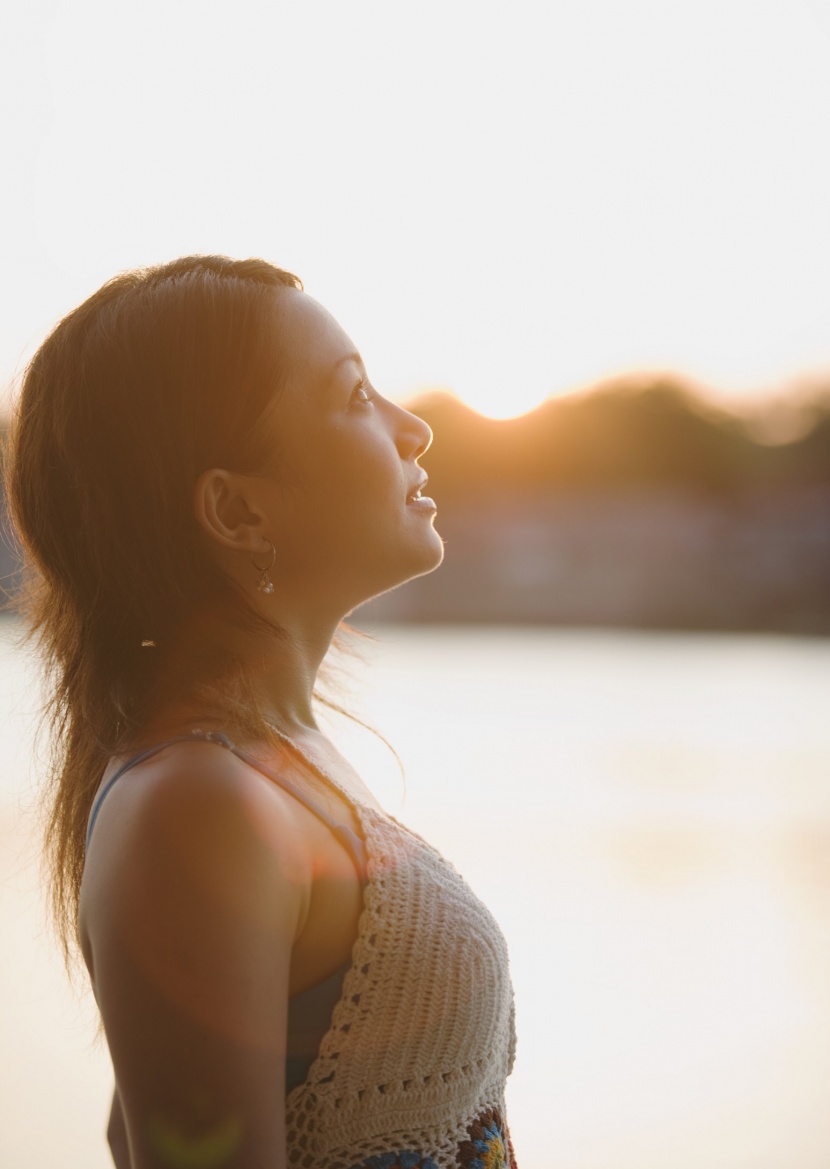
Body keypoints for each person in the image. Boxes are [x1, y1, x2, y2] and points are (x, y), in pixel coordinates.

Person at [4, 256, 518, 1169]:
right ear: (236, 509)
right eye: (356, 395)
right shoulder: (192, 803)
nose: (415, 428)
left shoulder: (275, 760)